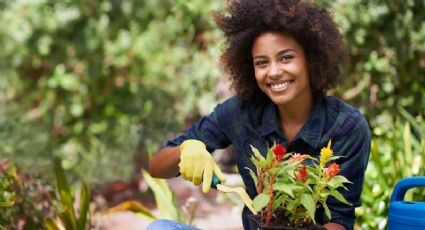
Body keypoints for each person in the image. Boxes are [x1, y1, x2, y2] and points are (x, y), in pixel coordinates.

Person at [148, 0, 371, 229]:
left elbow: (341, 220)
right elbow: (157, 166)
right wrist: (186, 148)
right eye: (262, 63)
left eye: (286, 58)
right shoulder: (240, 112)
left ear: (310, 59)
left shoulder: (347, 126)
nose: (273, 72)